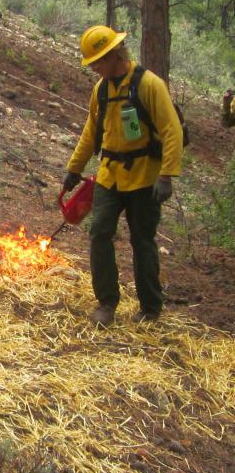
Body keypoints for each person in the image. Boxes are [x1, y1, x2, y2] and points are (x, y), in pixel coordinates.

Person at [61, 25, 183, 327]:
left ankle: (150, 308)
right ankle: (106, 302)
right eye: (92, 63)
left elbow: (172, 131)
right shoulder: (101, 90)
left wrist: (167, 175)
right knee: (99, 232)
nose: (95, 68)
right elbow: (91, 132)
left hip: (144, 178)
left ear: (115, 54)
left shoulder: (149, 85)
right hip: (109, 176)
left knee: (142, 240)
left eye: (99, 62)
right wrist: (73, 170)